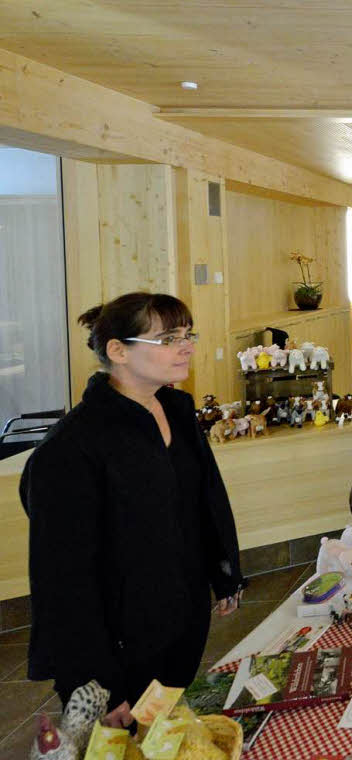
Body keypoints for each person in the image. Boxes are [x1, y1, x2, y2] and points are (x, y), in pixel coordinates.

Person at [20, 292, 244, 724]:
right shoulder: (70, 449)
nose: (186, 347)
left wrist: (225, 571)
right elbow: (62, 582)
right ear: (118, 351)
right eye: (167, 339)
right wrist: (95, 681)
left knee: (165, 733)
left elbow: (204, 501)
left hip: (182, 617)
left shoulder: (176, 410)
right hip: (121, 642)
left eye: (186, 335)